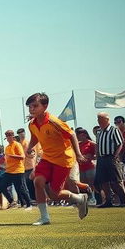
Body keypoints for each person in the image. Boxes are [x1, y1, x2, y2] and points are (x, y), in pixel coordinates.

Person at [25, 92, 88, 225]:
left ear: (45, 106)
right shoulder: (31, 124)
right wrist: (29, 147)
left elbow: (72, 135)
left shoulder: (55, 122)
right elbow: (35, 137)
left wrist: (78, 154)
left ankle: (79, 198)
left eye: (35, 106)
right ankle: (44, 217)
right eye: (30, 107)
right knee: (38, 182)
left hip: (63, 159)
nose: (32, 109)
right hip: (47, 158)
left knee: (54, 194)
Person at [94, 112, 125, 207]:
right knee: (103, 181)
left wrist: (115, 156)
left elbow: (120, 143)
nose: (99, 121)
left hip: (110, 157)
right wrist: (97, 156)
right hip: (101, 158)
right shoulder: (99, 132)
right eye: (98, 119)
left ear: (107, 120)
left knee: (116, 180)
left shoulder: (113, 130)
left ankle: (123, 201)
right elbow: (97, 145)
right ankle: (108, 201)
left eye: (100, 119)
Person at [2, 130, 32, 209]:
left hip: (18, 170)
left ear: (13, 137)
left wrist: (11, 155)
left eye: (9, 136)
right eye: (7, 136)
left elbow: (22, 157)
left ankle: (28, 204)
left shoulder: (17, 145)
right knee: (1, 186)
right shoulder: (7, 147)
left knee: (21, 188)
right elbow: (6, 159)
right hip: (9, 170)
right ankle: (12, 201)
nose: (8, 138)